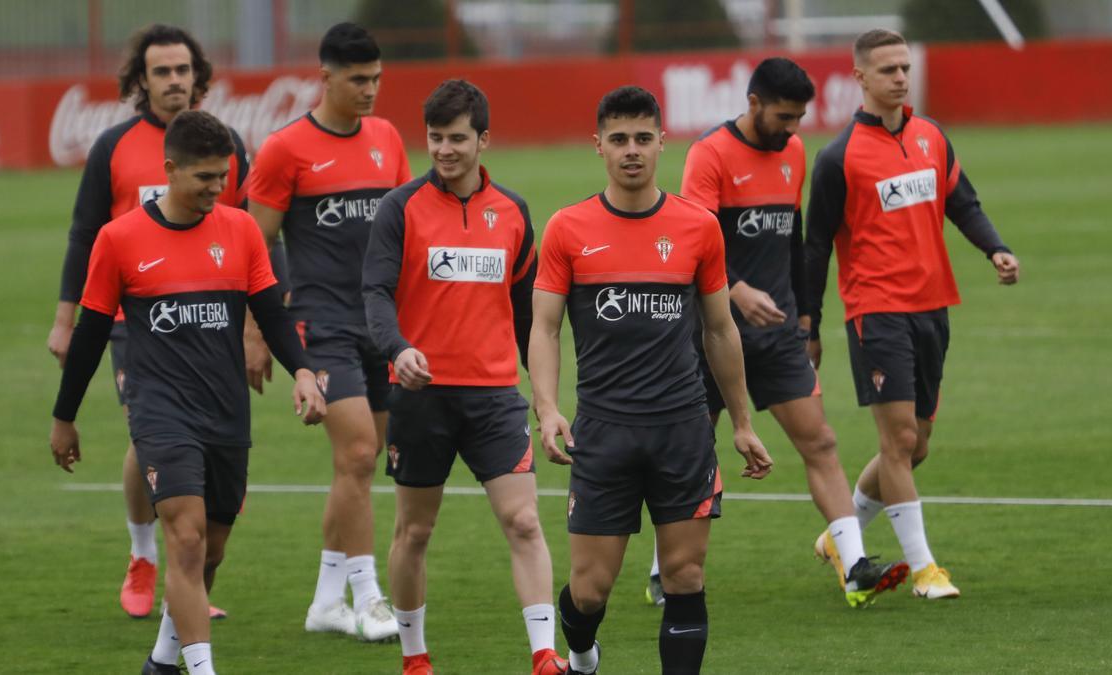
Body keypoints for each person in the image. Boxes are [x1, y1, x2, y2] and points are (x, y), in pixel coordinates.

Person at [49, 109, 326, 675]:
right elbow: (91, 334)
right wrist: (64, 417)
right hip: (159, 411)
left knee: (212, 550)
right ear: (170, 169)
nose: (217, 188)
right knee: (187, 539)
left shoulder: (241, 230)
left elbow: (270, 312)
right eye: (204, 178)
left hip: (226, 410)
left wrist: (301, 369)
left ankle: (163, 660)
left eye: (223, 177)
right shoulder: (119, 239)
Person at [637, 57, 909, 608]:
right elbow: (692, 242)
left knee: (821, 441)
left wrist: (808, 319)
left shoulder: (794, 152)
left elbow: (795, 241)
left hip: (779, 332)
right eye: (784, 116)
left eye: (800, 118)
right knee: (695, 451)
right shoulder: (710, 156)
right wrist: (736, 292)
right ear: (754, 103)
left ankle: (854, 566)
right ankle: (663, 570)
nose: (792, 128)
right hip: (710, 333)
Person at [530, 86, 772, 675]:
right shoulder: (568, 228)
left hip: (682, 429)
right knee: (589, 591)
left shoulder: (698, 228)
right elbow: (543, 328)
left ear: (663, 141)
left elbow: (720, 330)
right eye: (619, 140)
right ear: (599, 147)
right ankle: (583, 655)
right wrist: (547, 409)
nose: (631, 150)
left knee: (685, 576)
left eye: (643, 138)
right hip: (605, 433)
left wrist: (740, 422)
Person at [46, 23, 263, 620]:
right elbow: (84, 235)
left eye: (182, 70)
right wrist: (67, 320)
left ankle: (185, 580)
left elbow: (248, 240)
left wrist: (252, 328)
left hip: (206, 315)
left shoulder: (225, 146)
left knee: (188, 443)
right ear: (141, 81)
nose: (173, 80)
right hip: (126, 317)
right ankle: (147, 557)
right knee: (149, 431)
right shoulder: (112, 146)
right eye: (160, 71)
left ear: (198, 75)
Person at [805, 29, 1021, 600]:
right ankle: (924, 569)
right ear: (860, 78)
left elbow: (961, 202)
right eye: (888, 70)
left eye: (904, 68)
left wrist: (994, 247)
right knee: (897, 438)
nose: (901, 78)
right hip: (876, 313)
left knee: (916, 445)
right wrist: (809, 322)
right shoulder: (839, 157)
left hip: (933, 308)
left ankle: (839, 534)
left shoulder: (931, 137)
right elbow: (815, 245)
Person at [361, 79, 564, 675]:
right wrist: (397, 350)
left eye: (456, 138)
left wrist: (546, 402)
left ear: (483, 139)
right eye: (434, 138)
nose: (444, 150)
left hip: (495, 396)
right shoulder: (400, 209)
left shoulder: (514, 212)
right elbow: (373, 292)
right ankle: (415, 656)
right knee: (415, 532)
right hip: (420, 398)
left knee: (524, 520)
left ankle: (545, 655)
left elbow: (531, 317)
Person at [246, 22, 411, 641]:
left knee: (363, 468)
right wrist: (256, 334)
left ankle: (324, 604)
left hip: (380, 326)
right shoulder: (286, 149)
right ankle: (370, 599)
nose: (369, 90)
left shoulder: (386, 139)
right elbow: (252, 247)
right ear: (326, 77)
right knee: (359, 452)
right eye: (358, 80)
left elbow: (399, 236)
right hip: (319, 326)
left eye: (376, 79)